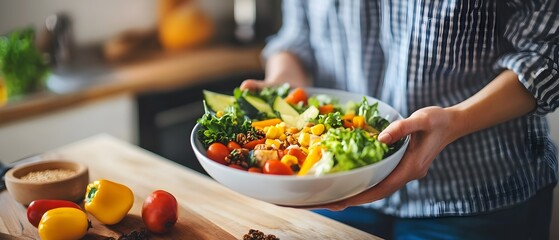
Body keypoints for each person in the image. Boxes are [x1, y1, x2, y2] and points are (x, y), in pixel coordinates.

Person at [241, 0, 559, 239]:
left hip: (477, 197)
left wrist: (458, 120)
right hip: (334, 189)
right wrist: (282, 87)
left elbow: (547, 56)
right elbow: (298, 35)